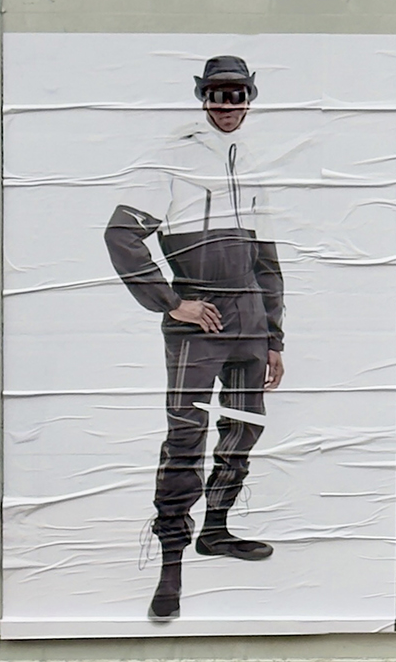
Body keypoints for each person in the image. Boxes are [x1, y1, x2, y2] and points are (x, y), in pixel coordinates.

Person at [105, 55, 284, 621]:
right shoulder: (172, 158)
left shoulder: (252, 161)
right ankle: (171, 567)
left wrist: (275, 338)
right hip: (197, 322)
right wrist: (173, 303)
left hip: (250, 321)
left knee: (244, 428)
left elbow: (267, 260)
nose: (228, 106)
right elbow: (121, 235)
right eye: (217, 94)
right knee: (185, 439)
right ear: (203, 95)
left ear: (250, 97)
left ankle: (217, 530)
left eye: (238, 96)